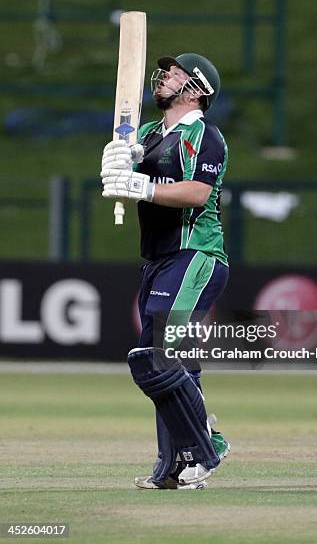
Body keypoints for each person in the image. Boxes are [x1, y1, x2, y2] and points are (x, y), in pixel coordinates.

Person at [101, 53, 230, 490]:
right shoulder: (151, 135)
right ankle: (173, 465)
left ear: (196, 90)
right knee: (166, 364)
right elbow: (129, 179)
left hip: (195, 254)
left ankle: (206, 448)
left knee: (157, 357)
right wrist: (120, 163)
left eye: (176, 75)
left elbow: (196, 192)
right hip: (157, 259)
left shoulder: (205, 136)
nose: (164, 79)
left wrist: (142, 185)